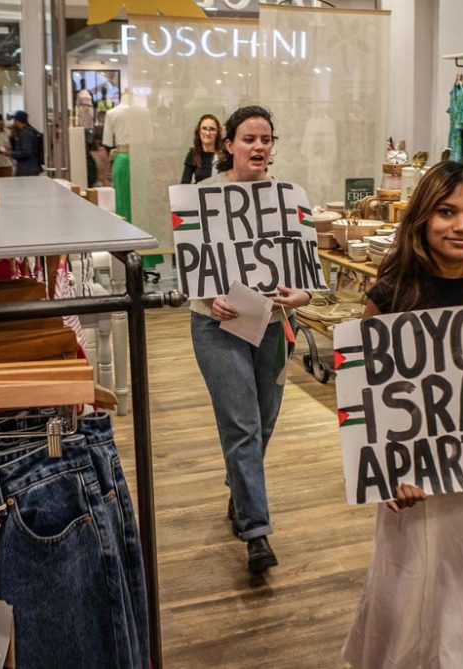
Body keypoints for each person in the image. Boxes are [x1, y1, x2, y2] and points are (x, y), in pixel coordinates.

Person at [342, 161, 463, 668]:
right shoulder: (390, 296)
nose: (462, 226)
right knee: (415, 602)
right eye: (447, 212)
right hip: (420, 488)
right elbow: (366, 397)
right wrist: (387, 473)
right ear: (422, 219)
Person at [189, 105, 313, 573]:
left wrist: (301, 295)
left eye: (266, 139)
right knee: (242, 424)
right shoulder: (201, 197)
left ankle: (241, 491)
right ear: (229, 146)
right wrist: (208, 297)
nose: (259, 146)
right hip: (216, 325)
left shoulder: (288, 197)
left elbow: (307, 269)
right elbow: (190, 267)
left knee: (265, 417)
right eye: (248, 139)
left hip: (275, 322)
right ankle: (256, 532)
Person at [180, 114, 222, 184]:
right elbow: (184, 183)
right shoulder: (193, 154)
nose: (208, 133)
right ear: (199, 131)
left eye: (212, 129)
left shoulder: (225, 156)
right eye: (204, 128)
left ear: (217, 133)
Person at [9, 110, 43, 176]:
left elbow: (26, 152)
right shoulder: (27, 132)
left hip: (27, 170)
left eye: (15, 121)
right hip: (30, 168)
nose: (13, 123)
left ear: (19, 121)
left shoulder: (25, 134)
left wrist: (11, 153)